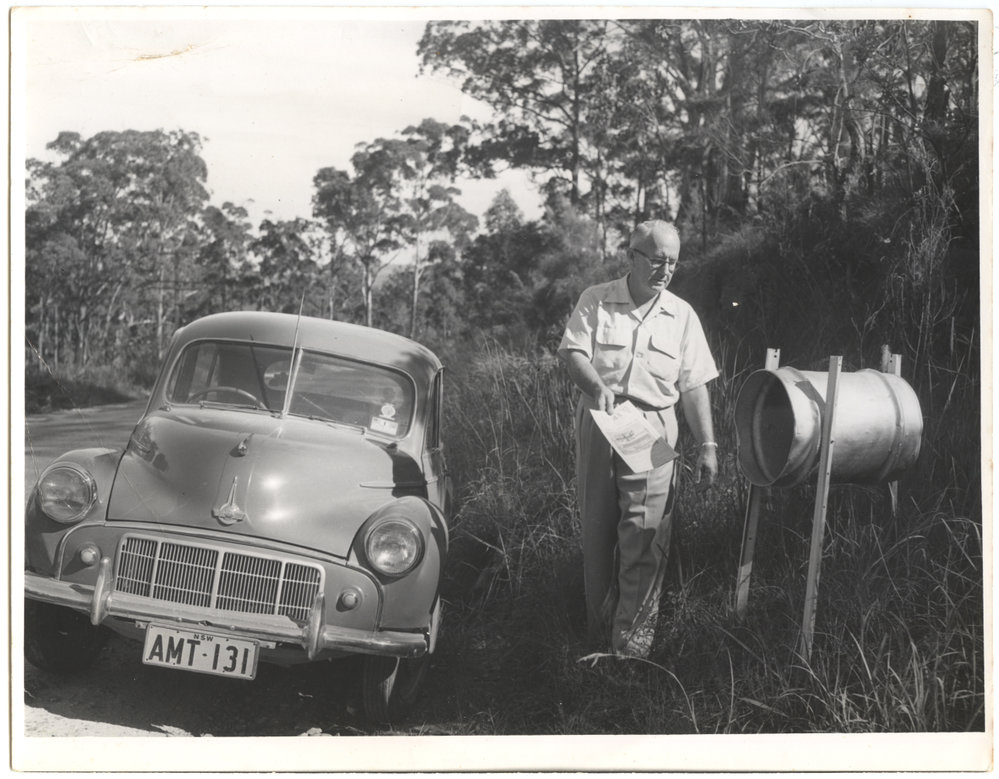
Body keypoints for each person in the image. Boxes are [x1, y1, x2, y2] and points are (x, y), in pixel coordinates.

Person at [557, 220, 719, 657]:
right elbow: (573, 353)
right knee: (597, 530)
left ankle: (633, 648)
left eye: (673, 263)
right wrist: (596, 386)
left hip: (652, 426)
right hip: (599, 419)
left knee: (646, 533)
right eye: (657, 260)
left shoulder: (682, 315)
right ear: (632, 256)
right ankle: (599, 629)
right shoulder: (596, 300)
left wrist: (707, 446)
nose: (665, 270)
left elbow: (694, 385)